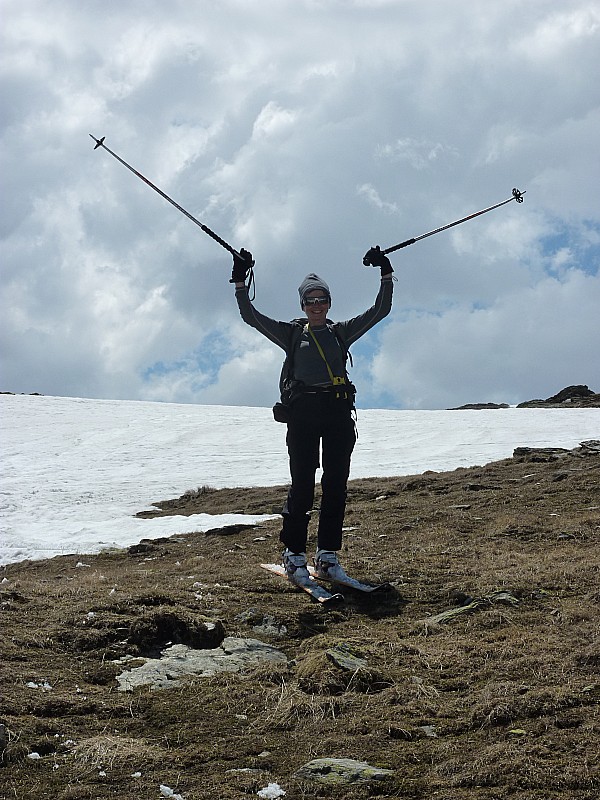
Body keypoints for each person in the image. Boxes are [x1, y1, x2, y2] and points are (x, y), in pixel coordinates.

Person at [231, 246, 394, 587]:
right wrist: (239, 279)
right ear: (302, 305)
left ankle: (328, 556)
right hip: (303, 414)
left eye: (322, 299)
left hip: (337, 412)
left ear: (329, 303)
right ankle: (293, 555)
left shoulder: (340, 332)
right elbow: (251, 316)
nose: (317, 305)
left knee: (336, 486)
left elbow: (380, 310)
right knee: (303, 485)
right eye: (310, 300)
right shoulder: (292, 334)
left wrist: (385, 272)